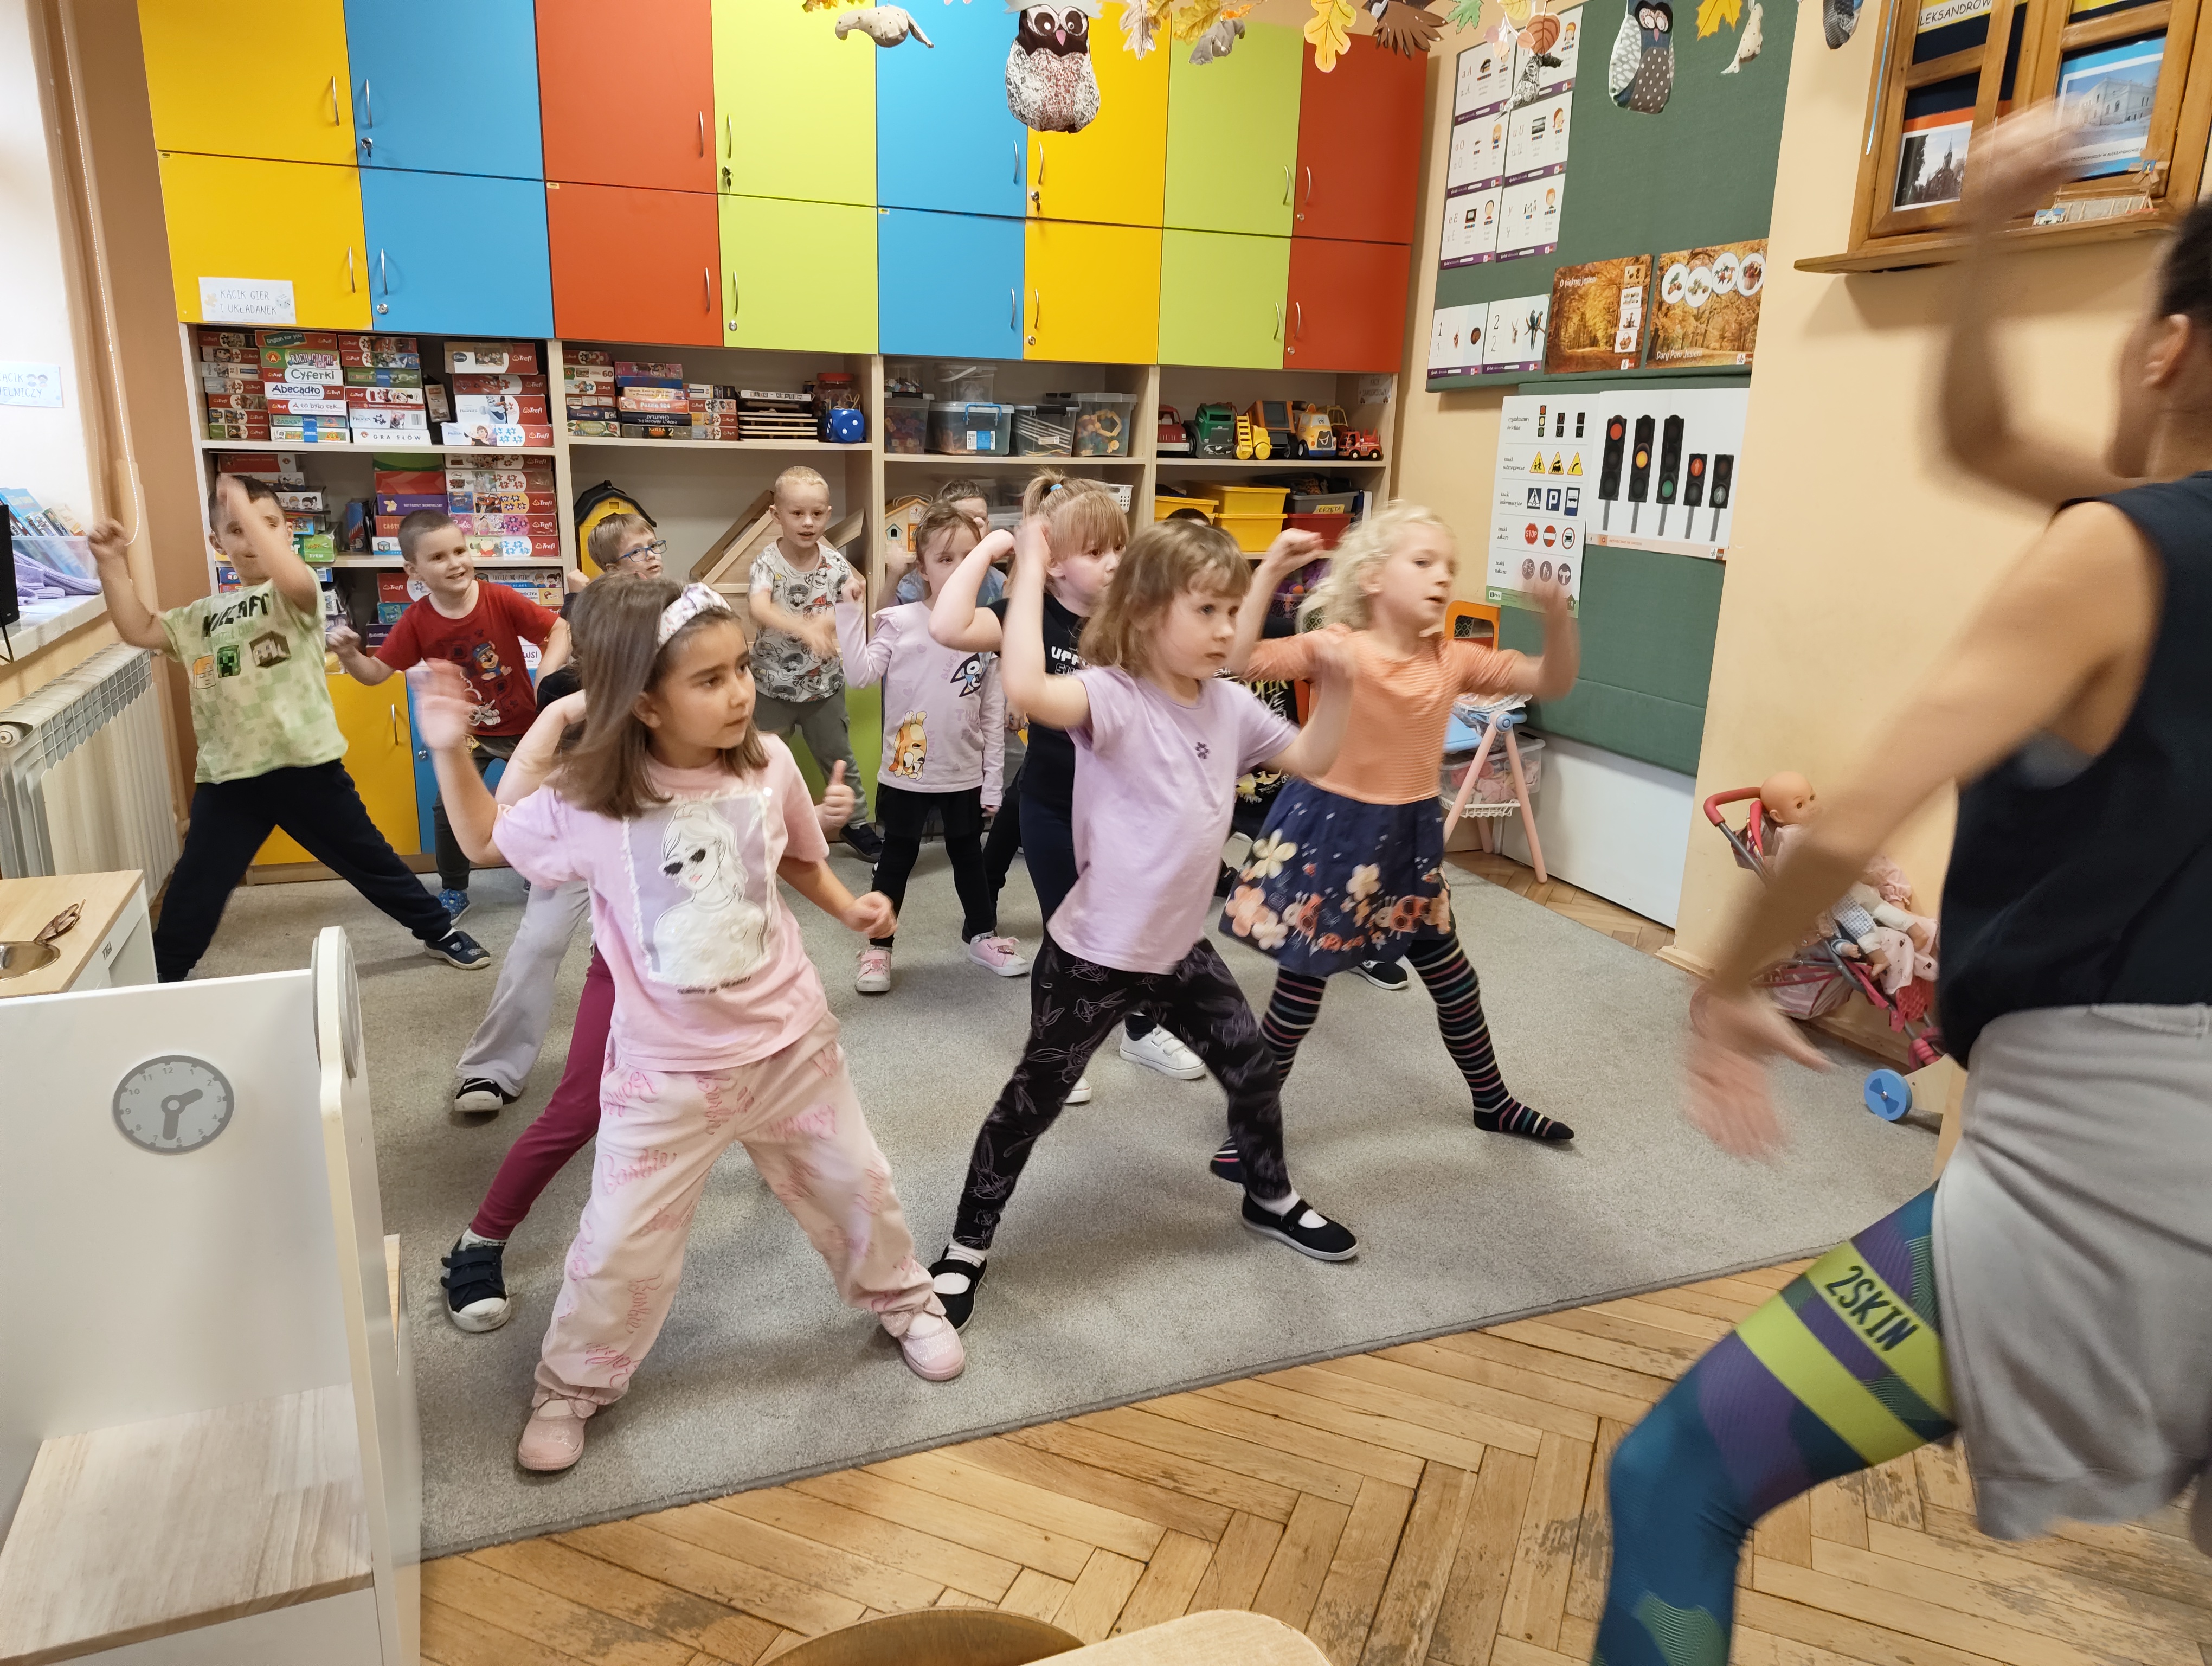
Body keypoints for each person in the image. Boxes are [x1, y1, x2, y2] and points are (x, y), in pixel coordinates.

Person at [1595, 111, 2212, 1666]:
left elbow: (1849, 815)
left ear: (2166, 348)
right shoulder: (2128, 527)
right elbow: (1987, 444)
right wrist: (1989, 230)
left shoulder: (2124, 551)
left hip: (2121, 1166)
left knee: (1674, 1478)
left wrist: (1724, 983)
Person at [416, 578, 961, 1471]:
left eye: (741, 668)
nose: (741, 692)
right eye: (710, 680)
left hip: (791, 1047)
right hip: (665, 1074)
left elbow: (796, 857)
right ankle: (572, 1385)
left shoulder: (769, 762)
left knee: (858, 1189)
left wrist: (847, 909)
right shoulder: (592, 800)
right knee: (620, 1244)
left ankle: (907, 1302)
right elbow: (485, 842)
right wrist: (449, 750)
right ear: (643, 702)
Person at [927, 517, 1363, 1331]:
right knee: (1030, 1105)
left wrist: (1337, 684)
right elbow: (1028, 688)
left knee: (1254, 1071)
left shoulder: (1230, 706)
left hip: (1178, 954)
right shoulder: (1111, 697)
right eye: (1206, 610)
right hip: (1094, 956)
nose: (1227, 629)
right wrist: (1030, 564)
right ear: (1146, 612)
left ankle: (1269, 1197)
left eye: (1232, 610)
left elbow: (1313, 759)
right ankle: (963, 1248)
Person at [1211, 507, 1581, 1182]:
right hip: (1333, 840)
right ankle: (1249, 1130)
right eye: (1423, 562)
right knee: (1298, 1000)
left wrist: (1558, 618)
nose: (1442, 578)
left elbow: (1550, 681)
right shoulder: (1340, 646)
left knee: (1455, 982)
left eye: (1449, 567)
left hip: (1407, 848)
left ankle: (1493, 1102)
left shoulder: (1453, 659)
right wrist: (1268, 572)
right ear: (1374, 578)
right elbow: (1238, 660)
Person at [87, 473, 487, 981]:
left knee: (372, 862)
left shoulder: (295, 595)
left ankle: (439, 931)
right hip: (228, 777)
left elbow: (294, 579)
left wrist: (245, 512)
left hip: (306, 769)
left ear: (287, 533)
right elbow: (139, 628)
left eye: (267, 525)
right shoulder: (200, 616)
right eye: (237, 529)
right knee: (195, 887)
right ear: (217, 541)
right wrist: (111, 563)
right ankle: (162, 977)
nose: (252, 537)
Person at [930, 472, 1211, 1098]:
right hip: (1055, 808)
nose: (1115, 561)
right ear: (1054, 563)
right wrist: (996, 547)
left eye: (1120, 546)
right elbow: (947, 627)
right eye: (1096, 551)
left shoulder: (1135, 616)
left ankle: (1141, 1029)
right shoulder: (1028, 615)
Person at [448, 518, 667, 1112]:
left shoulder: (678, 637)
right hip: (585, 820)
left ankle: (659, 1062)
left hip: (659, 829)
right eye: (637, 552)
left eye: (654, 547)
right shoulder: (573, 667)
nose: (651, 558)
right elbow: (546, 714)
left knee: (659, 949)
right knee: (540, 941)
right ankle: (491, 1068)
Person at [331, 509, 568, 922]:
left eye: (460, 551)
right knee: (448, 810)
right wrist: (350, 655)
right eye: (439, 557)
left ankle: (536, 868)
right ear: (414, 570)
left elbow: (559, 629)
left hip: (524, 727)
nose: (455, 563)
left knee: (542, 801)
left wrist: (546, 676)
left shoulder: (499, 599)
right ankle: (454, 888)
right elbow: (375, 674)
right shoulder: (416, 621)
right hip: (466, 735)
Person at [837, 499, 1025, 992]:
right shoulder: (899, 621)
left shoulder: (987, 627)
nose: (958, 568)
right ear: (922, 568)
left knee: (969, 857)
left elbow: (991, 714)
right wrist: (848, 612)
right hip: (907, 772)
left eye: (969, 558)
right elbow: (859, 675)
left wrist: (993, 782)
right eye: (945, 559)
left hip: (963, 771)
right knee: (896, 859)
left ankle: (982, 936)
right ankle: (878, 949)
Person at [748, 465, 880, 861]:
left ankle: (856, 823)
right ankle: (759, 826)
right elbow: (758, 608)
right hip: (770, 687)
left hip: (824, 686)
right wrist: (804, 628)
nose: (808, 522)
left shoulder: (835, 564)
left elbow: (850, 602)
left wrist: (836, 614)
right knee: (761, 762)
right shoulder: (767, 562)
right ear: (776, 515)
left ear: (828, 514)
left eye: (817, 514)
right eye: (797, 513)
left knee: (840, 758)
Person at [892, 480, 1002, 606]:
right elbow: (886, 614)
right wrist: (893, 576)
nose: (974, 529)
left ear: (988, 527)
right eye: (963, 520)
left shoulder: (997, 583)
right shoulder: (914, 586)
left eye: (980, 520)